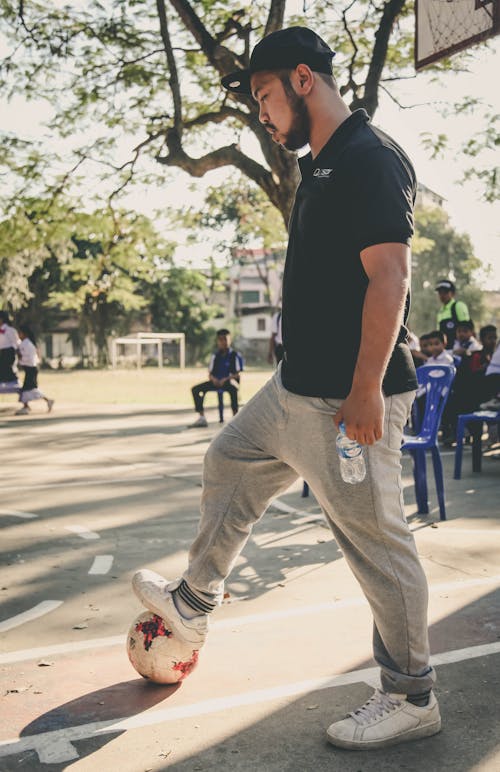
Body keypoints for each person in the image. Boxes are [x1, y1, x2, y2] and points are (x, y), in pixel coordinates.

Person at [133, 27, 440, 750]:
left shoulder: (369, 157)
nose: (263, 116)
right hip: (292, 390)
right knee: (229, 460)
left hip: (346, 399)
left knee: (376, 545)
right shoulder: (321, 164)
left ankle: (412, 694)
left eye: (266, 97)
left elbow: (390, 278)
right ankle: (195, 601)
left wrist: (366, 389)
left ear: (304, 79)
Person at [188, 329, 243, 428]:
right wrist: (214, 379)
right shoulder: (215, 356)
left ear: (229, 340)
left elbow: (237, 373)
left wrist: (225, 379)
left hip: (228, 381)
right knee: (195, 389)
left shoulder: (235, 355)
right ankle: (201, 417)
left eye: (225, 339)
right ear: (217, 341)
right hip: (215, 381)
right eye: (220, 340)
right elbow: (210, 373)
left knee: (233, 389)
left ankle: (236, 418)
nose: (223, 342)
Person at [15, 325, 54, 415]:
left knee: (29, 388)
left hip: (31, 368)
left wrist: (20, 357)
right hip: (29, 368)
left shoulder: (27, 344)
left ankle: (44, 401)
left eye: (20, 333)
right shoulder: (24, 343)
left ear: (24, 334)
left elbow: (29, 358)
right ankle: (27, 405)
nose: (19, 335)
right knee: (27, 388)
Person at [435, 280, 470, 350]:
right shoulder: (440, 312)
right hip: (446, 349)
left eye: (445, 292)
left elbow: (466, 328)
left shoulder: (458, 306)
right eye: (440, 293)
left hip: (459, 348)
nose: (442, 295)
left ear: (452, 293)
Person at [0, 311, 19, 384]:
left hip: (8, 352)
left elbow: (16, 342)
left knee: (6, 369)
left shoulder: (10, 330)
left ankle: (12, 382)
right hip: (1, 352)